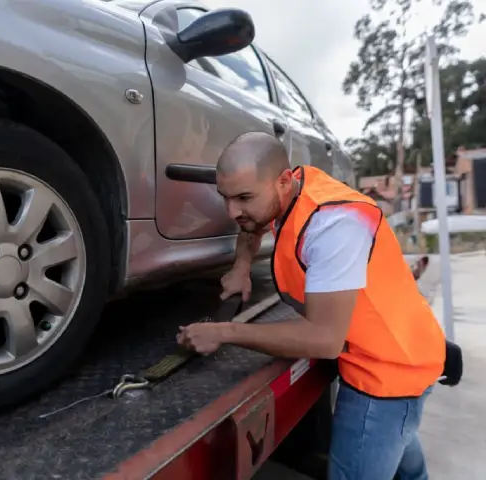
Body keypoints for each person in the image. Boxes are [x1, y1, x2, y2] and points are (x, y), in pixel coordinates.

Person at [176, 132, 446, 480]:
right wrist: (241, 269)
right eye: (225, 198)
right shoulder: (287, 192)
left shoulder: (334, 225)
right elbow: (252, 225)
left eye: (243, 197)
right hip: (403, 348)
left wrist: (224, 332)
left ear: (284, 181)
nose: (232, 212)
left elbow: (324, 339)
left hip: (385, 373)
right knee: (406, 460)